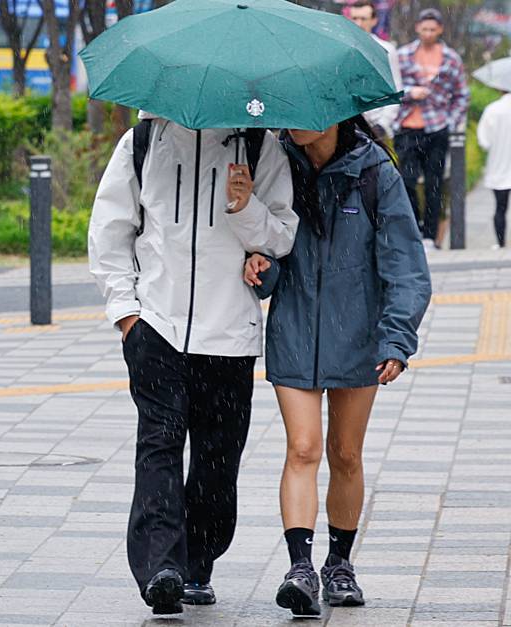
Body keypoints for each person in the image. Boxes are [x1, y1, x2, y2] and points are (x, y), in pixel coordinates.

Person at [89, 114, 298, 615]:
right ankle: (161, 567)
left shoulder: (259, 145)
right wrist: (127, 314)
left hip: (229, 334)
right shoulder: (142, 142)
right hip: (156, 327)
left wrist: (245, 207)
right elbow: (111, 228)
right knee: (158, 445)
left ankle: (198, 565)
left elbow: (281, 236)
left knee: (217, 459)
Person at [245, 116, 431, 618]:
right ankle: (299, 568)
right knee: (302, 447)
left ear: (335, 114)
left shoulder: (374, 173)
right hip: (295, 331)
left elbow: (407, 269)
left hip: (358, 339)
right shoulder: (273, 163)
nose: (291, 122)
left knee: (345, 452)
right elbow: (268, 245)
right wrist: (262, 268)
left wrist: (396, 339)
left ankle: (339, 565)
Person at [394, 8, 470, 250]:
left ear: (440, 30)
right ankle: (413, 230)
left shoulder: (450, 58)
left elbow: (462, 94)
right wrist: (410, 92)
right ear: (418, 28)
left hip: (437, 127)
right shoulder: (403, 54)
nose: (428, 33)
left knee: (434, 183)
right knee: (406, 181)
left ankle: (429, 236)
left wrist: (451, 119)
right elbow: (391, 88)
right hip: (407, 126)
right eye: (424, 28)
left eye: (432, 29)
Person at [347, 0, 402, 140]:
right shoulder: (341, 49)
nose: (358, 23)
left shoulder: (386, 50)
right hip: (345, 124)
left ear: (374, 20)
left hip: (375, 124)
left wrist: (383, 124)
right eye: (355, 18)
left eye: (363, 18)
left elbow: (395, 89)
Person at [477, 87, 511, 248]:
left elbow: (484, 141)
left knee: (500, 207)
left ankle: (501, 243)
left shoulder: (492, 110)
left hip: (499, 167)